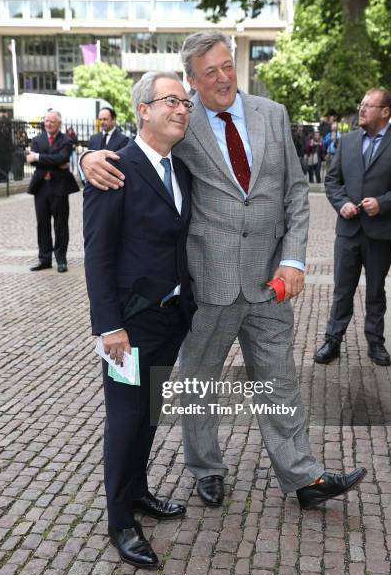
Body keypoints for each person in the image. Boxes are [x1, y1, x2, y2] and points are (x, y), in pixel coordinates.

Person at [80, 31, 366, 512]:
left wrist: (293, 258)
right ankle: (206, 469)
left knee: (279, 381)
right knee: (200, 385)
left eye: (226, 66)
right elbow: (137, 148)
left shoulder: (271, 116)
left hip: (269, 283)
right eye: (208, 72)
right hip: (207, 282)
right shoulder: (180, 118)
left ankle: (303, 476)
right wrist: (84, 157)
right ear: (191, 82)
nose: (222, 78)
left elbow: (295, 193)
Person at [83, 71, 197, 568]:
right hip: (128, 325)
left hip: (171, 319)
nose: (181, 109)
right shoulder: (114, 167)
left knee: (148, 414)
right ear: (142, 110)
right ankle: (119, 521)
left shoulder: (182, 169)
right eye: (170, 100)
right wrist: (109, 327)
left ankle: (139, 492)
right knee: (125, 421)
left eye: (186, 103)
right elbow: (97, 254)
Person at [315, 87, 391, 367]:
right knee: (342, 289)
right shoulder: (348, 141)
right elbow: (332, 181)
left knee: (376, 289)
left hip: (382, 231)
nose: (361, 109)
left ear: (385, 112)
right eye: (361, 104)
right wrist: (341, 204)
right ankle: (333, 340)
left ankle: (375, 343)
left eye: (368, 105)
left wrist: (384, 202)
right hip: (348, 230)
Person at [27, 110, 79, 273]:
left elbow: (62, 158)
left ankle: (61, 260)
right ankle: (44, 259)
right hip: (41, 187)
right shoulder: (37, 140)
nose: (48, 124)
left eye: (52, 121)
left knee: (60, 225)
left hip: (59, 188)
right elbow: (32, 162)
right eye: (46, 121)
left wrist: (38, 157)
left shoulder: (66, 140)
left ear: (59, 123)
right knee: (42, 224)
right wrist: (52, 160)